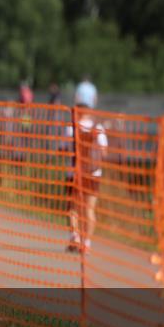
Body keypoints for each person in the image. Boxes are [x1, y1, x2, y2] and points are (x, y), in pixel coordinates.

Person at [65, 99, 108, 252]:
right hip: (94, 173)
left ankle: (74, 237)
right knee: (89, 209)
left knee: (72, 208)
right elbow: (104, 153)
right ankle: (87, 243)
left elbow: (64, 149)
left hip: (74, 173)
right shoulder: (99, 128)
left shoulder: (71, 128)